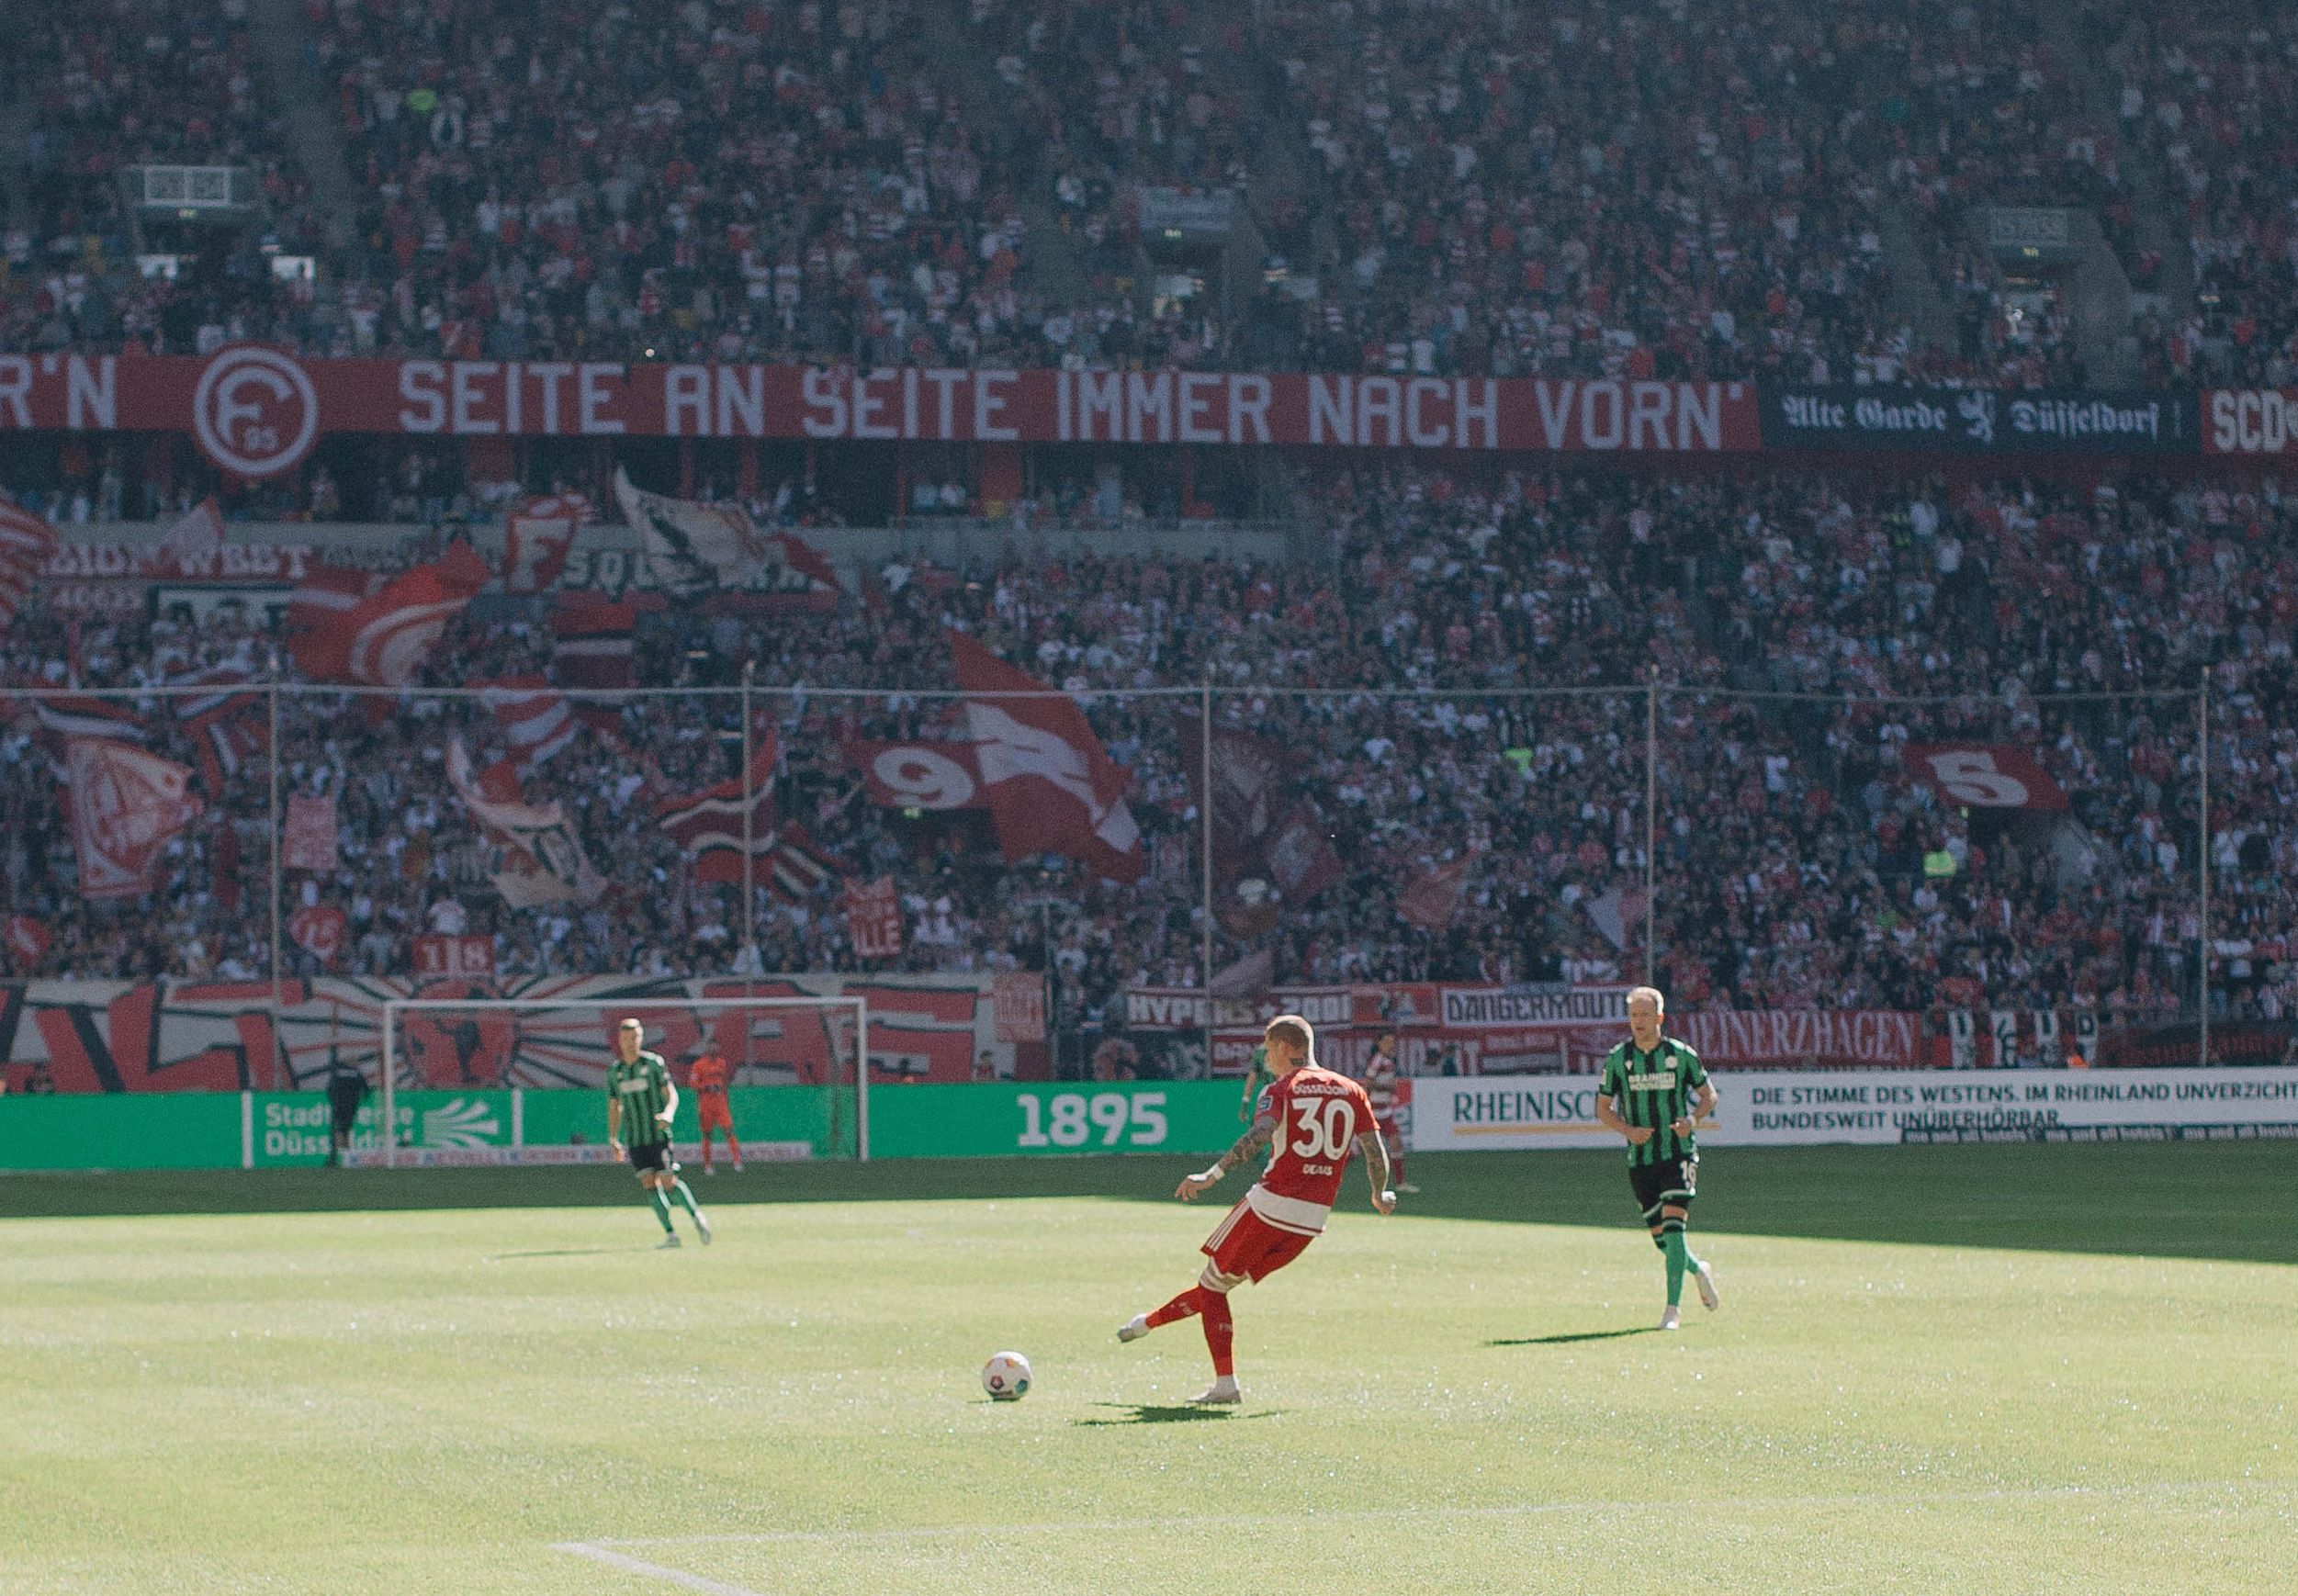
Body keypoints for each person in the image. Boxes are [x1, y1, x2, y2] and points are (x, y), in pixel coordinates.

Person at [1118, 1014, 1395, 1403]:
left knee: (1213, 1286)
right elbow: (1373, 1149)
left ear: (1284, 1047)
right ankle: (1146, 1323)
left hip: (1270, 1206)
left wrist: (1211, 1175)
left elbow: (1259, 1134)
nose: (1266, 1060)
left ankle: (1225, 1385)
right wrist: (1379, 1193)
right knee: (1217, 1283)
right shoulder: (1351, 1090)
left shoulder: (1281, 1090)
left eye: (1268, 1051)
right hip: (1312, 1220)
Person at [1593, 986, 1718, 1330]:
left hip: (1679, 1153)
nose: (1638, 1022)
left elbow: (1709, 1096)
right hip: (1641, 1159)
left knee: (1675, 1230)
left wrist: (1691, 1121)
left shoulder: (1681, 1055)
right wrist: (1628, 1131)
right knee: (1663, 1241)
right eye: (1634, 1015)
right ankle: (1698, 1269)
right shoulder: (1619, 1059)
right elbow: (1603, 1108)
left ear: (1660, 1018)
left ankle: (1671, 1310)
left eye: (1645, 1015)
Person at [606, 1018, 711, 1247]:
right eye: (625, 1038)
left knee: (668, 1180)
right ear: (619, 1041)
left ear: (641, 1038)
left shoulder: (653, 1063)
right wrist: (613, 1138)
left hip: (657, 1135)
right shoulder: (616, 1071)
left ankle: (697, 1217)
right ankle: (671, 1235)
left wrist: (669, 1113)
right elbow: (616, 1106)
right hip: (635, 1139)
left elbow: (671, 1093)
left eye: (634, 1037)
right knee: (649, 1184)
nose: (630, 1042)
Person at [1362, 1030, 1415, 1193]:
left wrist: (1389, 1092)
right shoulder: (1378, 1060)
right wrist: (1388, 1087)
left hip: (1385, 1112)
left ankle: (1400, 1184)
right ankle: (1329, 1177)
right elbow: (1368, 1083)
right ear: (1379, 1043)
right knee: (1356, 1150)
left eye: (1392, 1042)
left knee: (1397, 1145)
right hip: (1373, 1112)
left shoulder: (1389, 1061)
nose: (1390, 1045)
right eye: (1386, 1042)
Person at [688, 1044, 742, 1175]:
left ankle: (737, 1161)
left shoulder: (721, 1063)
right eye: (711, 1048)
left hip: (720, 1104)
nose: (714, 1050)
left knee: (729, 1131)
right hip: (706, 1105)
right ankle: (708, 1165)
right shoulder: (698, 1065)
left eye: (716, 1048)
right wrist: (706, 1088)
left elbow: (724, 1082)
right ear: (707, 1049)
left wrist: (726, 1097)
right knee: (707, 1135)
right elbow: (692, 1083)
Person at [325, 1056, 368, 1167]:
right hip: (351, 1106)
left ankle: (334, 1158)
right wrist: (359, 1098)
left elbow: (329, 1089)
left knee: (337, 1130)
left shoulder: (337, 1073)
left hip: (338, 1105)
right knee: (345, 1131)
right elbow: (366, 1090)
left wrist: (334, 1100)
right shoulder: (357, 1073)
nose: (357, 1064)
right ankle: (347, 1157)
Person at [1236, 1038, 1278, 1122]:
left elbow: (1252, 1079)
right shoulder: (1289, 1050)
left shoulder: (1261, 1051)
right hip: (1285, 1094)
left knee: (1260, 1126)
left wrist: (1245, 1102)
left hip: (1268, 1096)